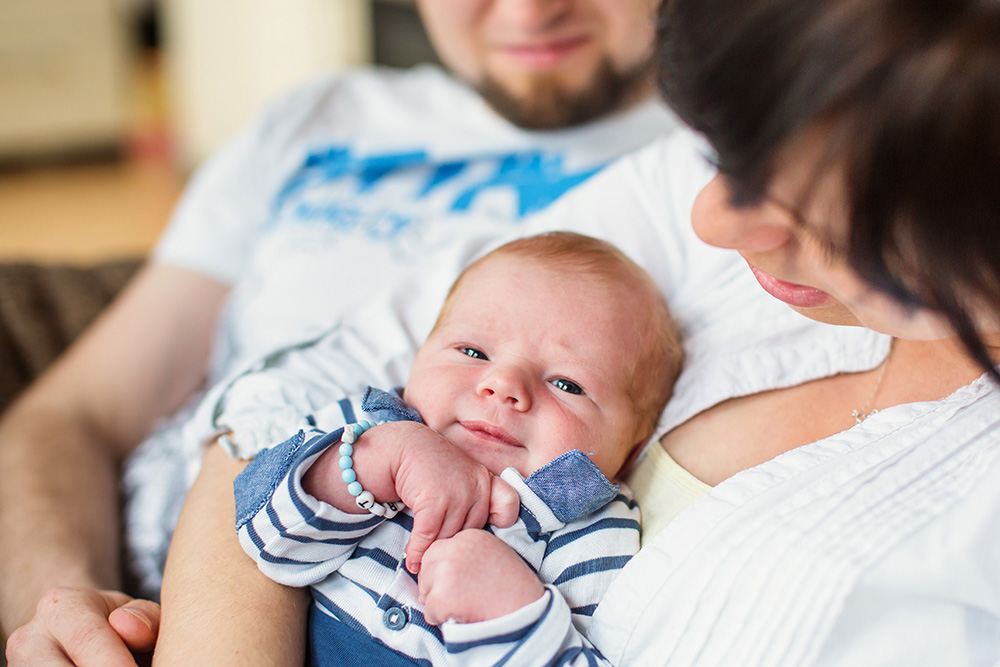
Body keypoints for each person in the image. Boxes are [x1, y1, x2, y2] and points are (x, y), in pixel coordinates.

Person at [149, 0, 1000, 664]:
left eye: (816, 205)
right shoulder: (387, 420)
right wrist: (362, 465)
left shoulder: (585, 529)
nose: (709, 218)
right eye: (721, 153)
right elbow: (286, 401)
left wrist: (515, 611)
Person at [0, 0, 677, 663]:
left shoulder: (700, 183)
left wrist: (518, 613)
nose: (528, 11)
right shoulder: (319, 117)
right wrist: (64, 614)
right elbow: (73, 413)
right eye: (471, 351)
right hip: (140, 563)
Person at [234, 232, 680, 665]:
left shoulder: (590, 529)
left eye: (567, 384)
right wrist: (372, 463)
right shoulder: (371, 423)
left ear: (633, 448)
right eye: (472, 351)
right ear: (418, 357)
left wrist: (511, 611)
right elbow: (258, 534)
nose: (504, 385)